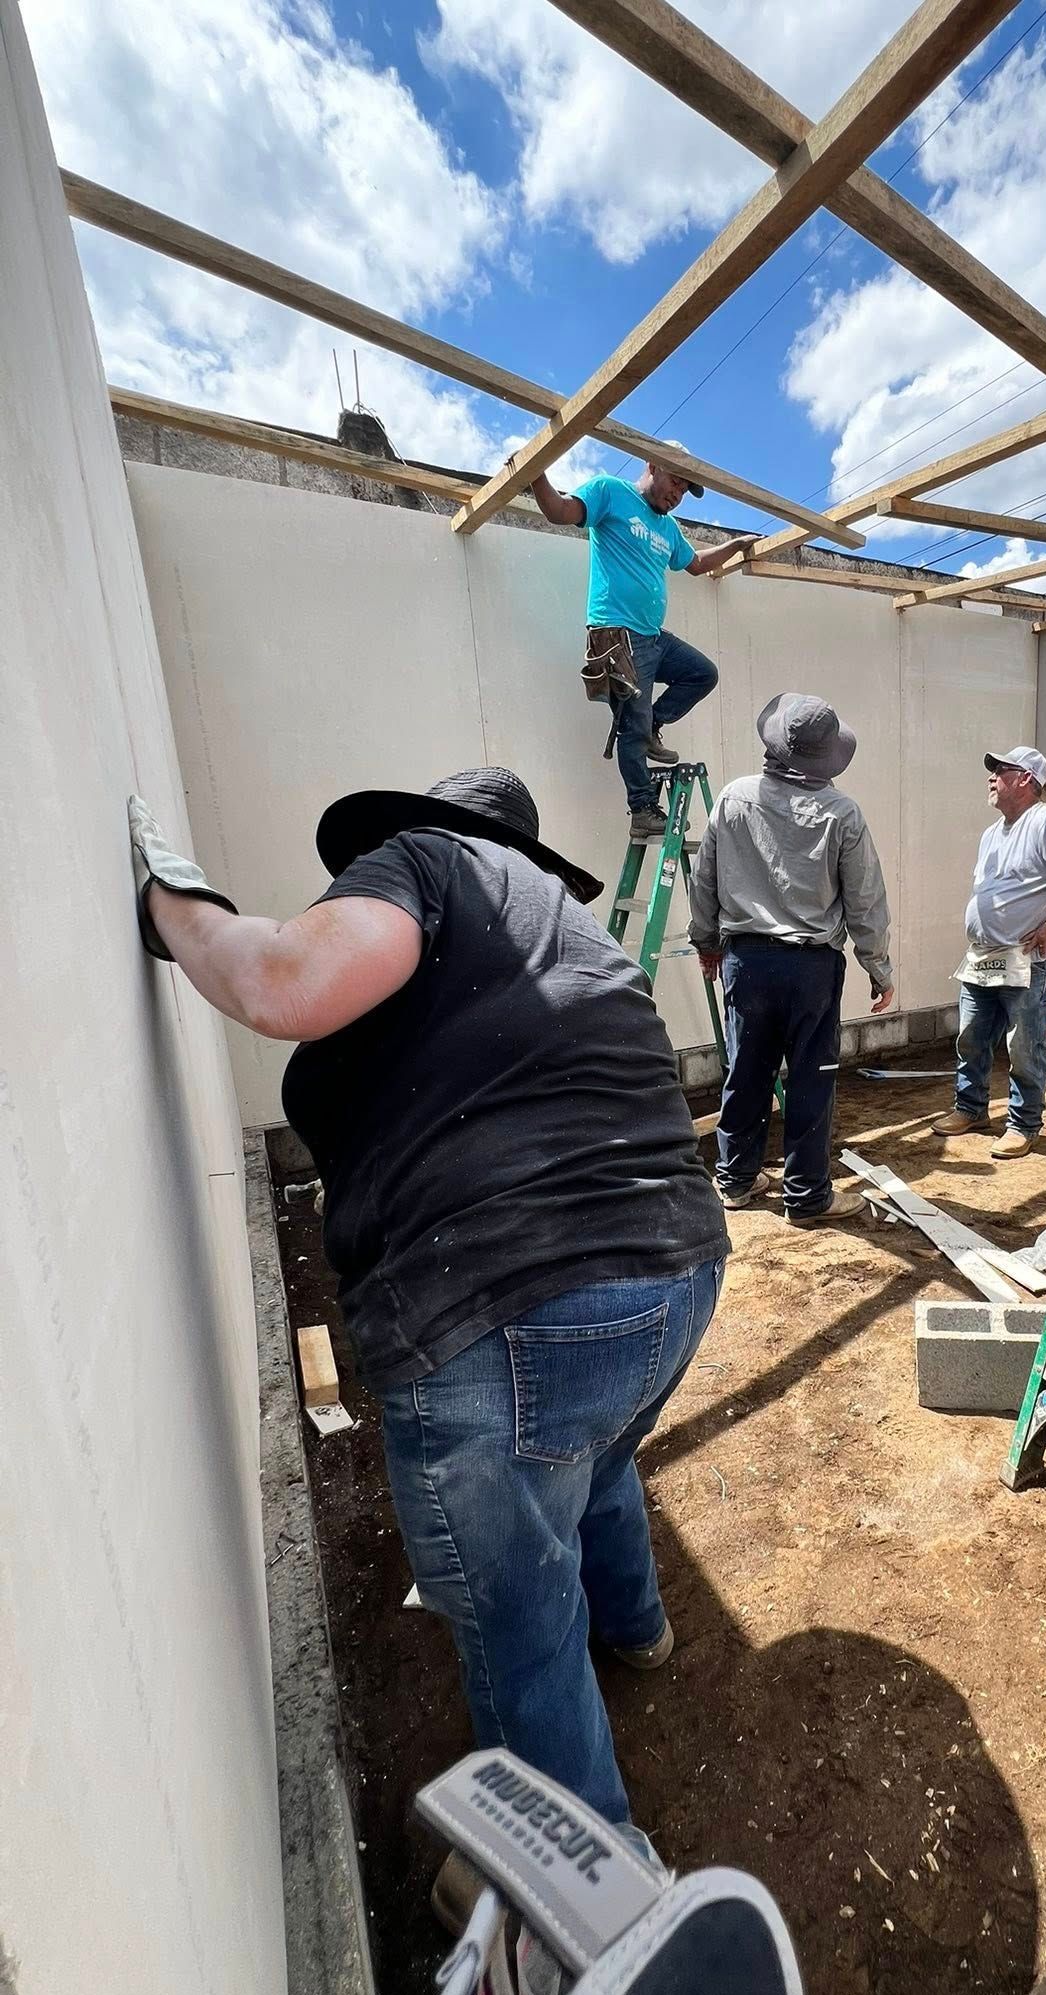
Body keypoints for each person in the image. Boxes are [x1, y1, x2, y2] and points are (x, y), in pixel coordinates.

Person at [127, 769, 730, 1834]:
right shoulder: (571, 929)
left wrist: (173, 904)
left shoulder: (427, 861)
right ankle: (638, 1625)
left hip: (500, 1308)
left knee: (519, 1620)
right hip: (677, 1274)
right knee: (590, 1455)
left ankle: (590, 1904)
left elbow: (281, 981)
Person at [688, 693, 894, 1226]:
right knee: (811, 1078)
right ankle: (805, 1196)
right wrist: (878, 968)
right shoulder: (841, 813)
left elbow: (705, 880)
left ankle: (734, 1180)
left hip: (746, 963)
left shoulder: (734, 798)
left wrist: (707, 943)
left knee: (745, 1071)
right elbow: (864, 898)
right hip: (810, 969)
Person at [530, 458, 754, 840]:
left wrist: (735, 544)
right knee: (630, 728)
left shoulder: (668, 527)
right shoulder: (610, 492)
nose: (677, 494)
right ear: (653, 465)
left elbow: (697, 564)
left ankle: (652, 722)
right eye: (676, 483)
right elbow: (559, 511)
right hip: (617, 633)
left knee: (702, 674)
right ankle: (643, 808)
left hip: (652, 636)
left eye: (684, 491)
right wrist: (535, 472)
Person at [932, 746, 1046, 1160]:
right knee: (971, 1036)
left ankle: (1024, 1123)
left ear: (1027, 779)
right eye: (991, 770)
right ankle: (971, 1108)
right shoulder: (993, 832)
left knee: (1025, 1045)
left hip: (1029, 960)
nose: (991, 777)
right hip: (983, 956)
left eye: (1001, 771)